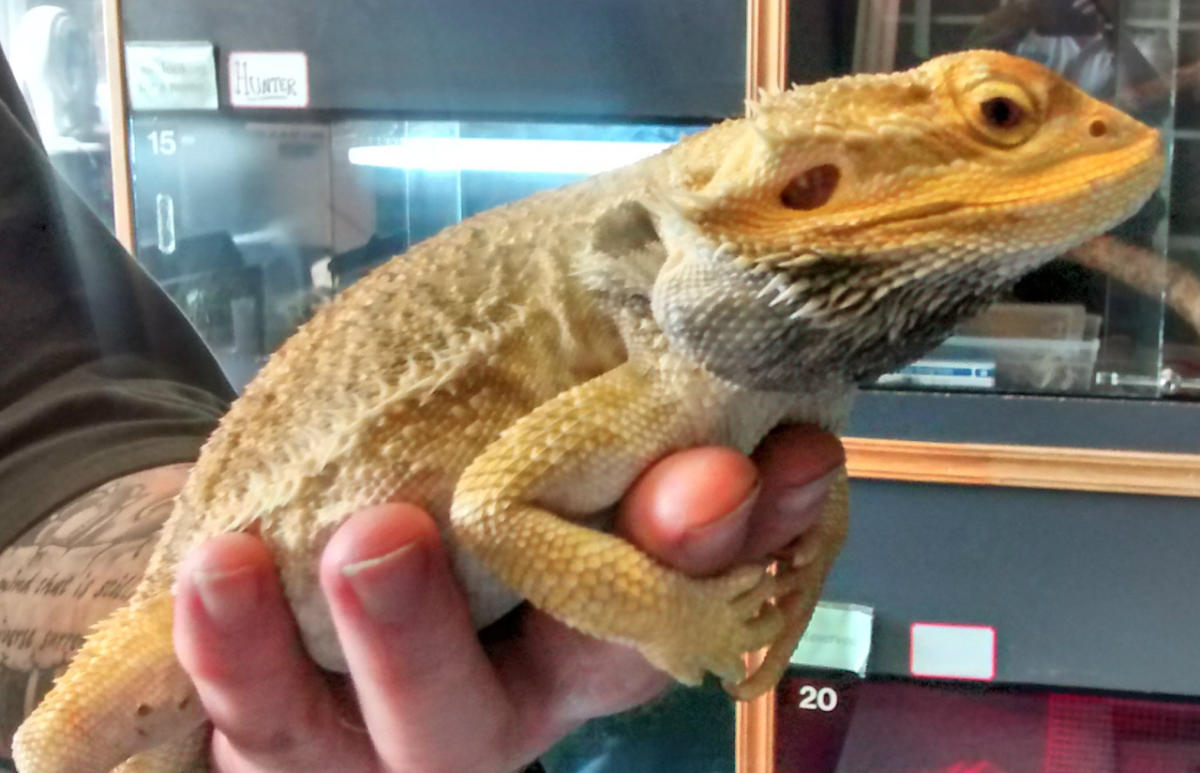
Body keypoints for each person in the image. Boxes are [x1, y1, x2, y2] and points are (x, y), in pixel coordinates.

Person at [0, 47, 843, 772]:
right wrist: (683, 615)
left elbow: (54, 392)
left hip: (314, 616)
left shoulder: (723, 339)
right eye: (985, 117)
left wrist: (235, 631)